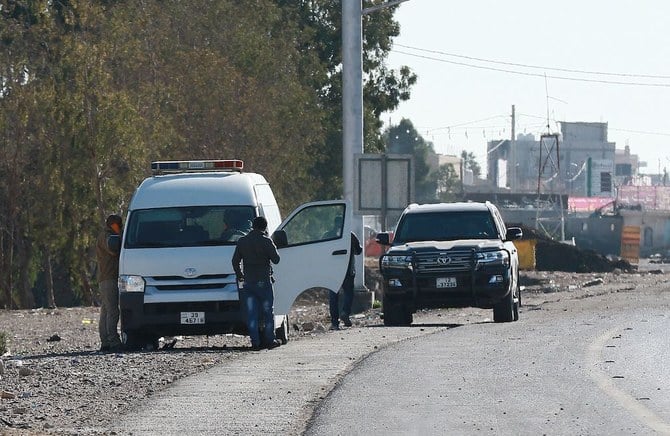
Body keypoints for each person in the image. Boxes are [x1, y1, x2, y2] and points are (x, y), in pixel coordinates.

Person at [232, 216, 281, 350]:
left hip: (248, 282)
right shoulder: (266, 241)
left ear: (252, 226)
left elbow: (235, 261)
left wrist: (240, 275)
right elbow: (276, 259)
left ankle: (255, 342)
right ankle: (270, 340)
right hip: (264, 281)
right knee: (267, 312)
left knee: (251, 313)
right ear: (265, 227)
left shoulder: (242, 241)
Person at [96, 214, 123, 352]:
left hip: (106, 278)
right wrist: (121, 236)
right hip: (109, 278)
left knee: (106, 311)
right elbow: (113, 249)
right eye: (119, 225)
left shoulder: (106, 234)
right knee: (112, 311)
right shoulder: (107, 236)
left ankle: (105, 342)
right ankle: (113, 341)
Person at [330, 231, 363, 330]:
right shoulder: (350, 235)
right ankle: (345, 312)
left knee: (333, 295)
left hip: (332, 271)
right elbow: (358, 251)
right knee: (348, 292)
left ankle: (335, 322)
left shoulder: (328, 235)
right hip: (348, 270)